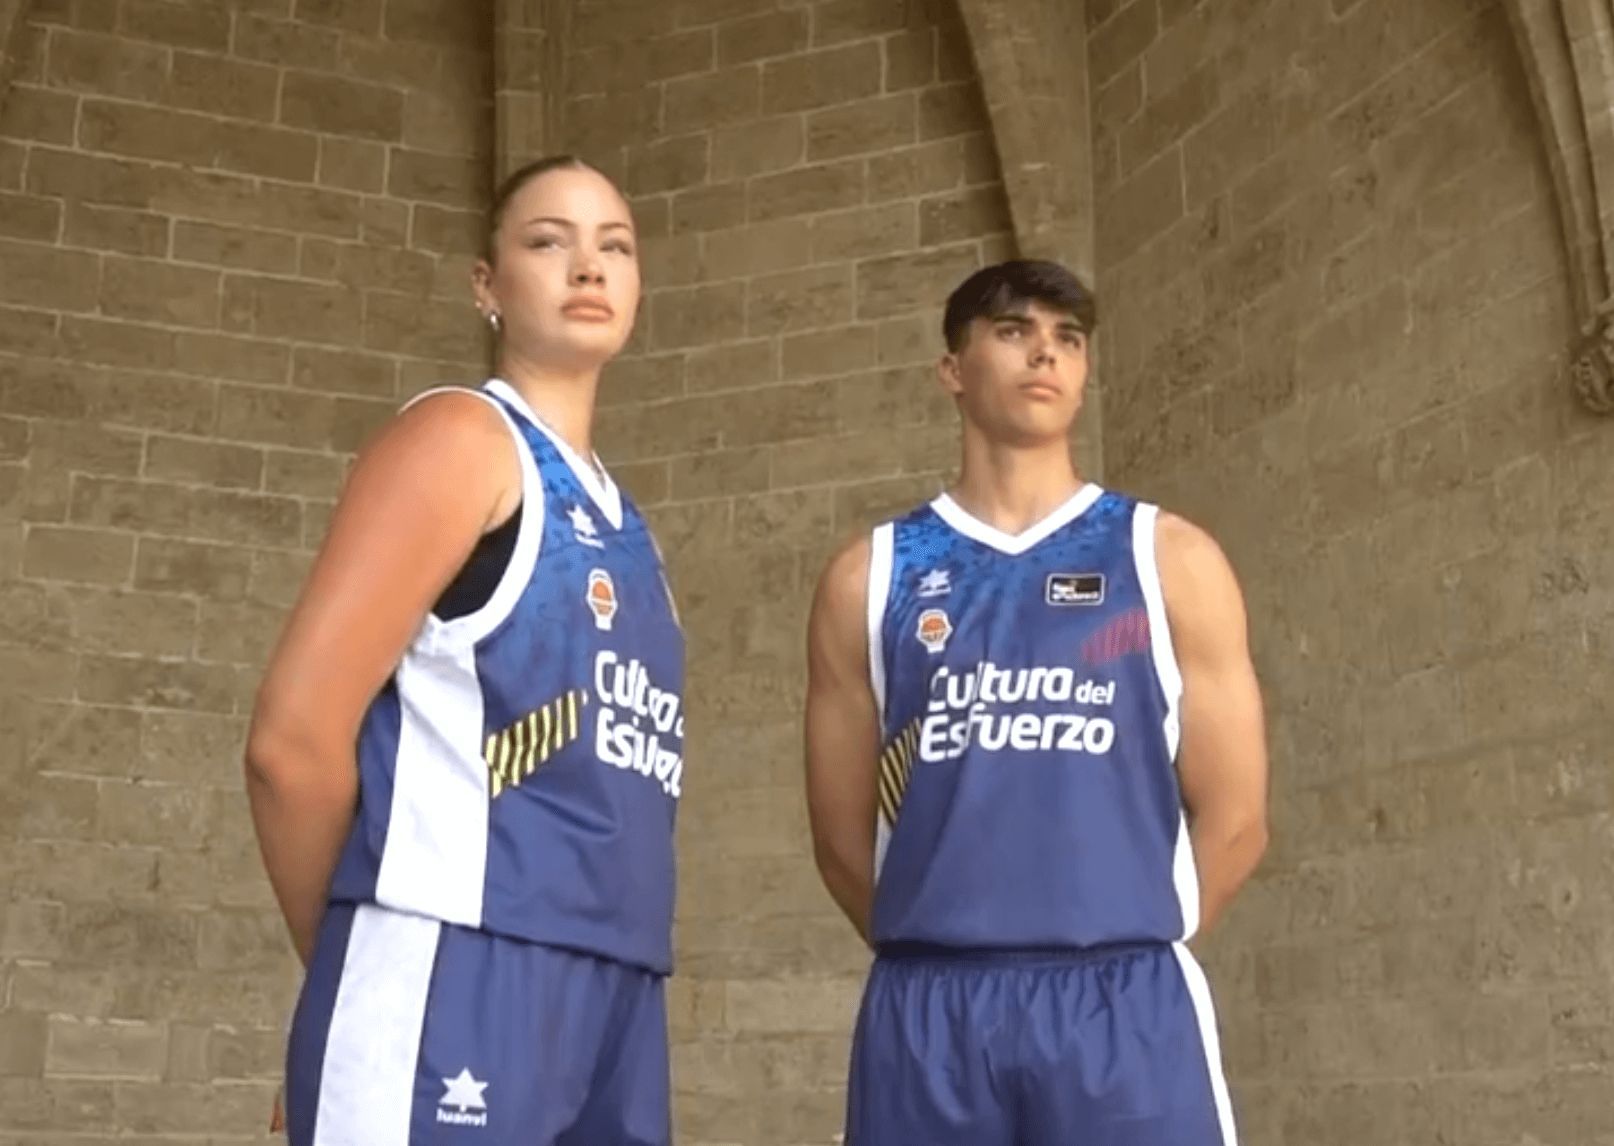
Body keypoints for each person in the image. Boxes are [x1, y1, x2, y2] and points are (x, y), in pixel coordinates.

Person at [246, 155, 684, 1146]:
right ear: (485, 285)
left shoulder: (626, 525)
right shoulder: (461, 438)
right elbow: (293, 742)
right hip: (457, 966)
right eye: (548, 241)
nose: (588, 268)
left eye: (614, 247)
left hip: (615, 989)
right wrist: (346, 970)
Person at [803, 259, 1269, 1145]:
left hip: (1121, 1006)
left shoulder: (1167, 557)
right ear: (953, 369)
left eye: (1067, 339)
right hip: (931, 1010)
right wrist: (951, 946)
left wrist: (1118, 941)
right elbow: (839, 838)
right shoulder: (872, 578)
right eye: (1014, 332)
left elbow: (1238, 818)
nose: (1044, 356)